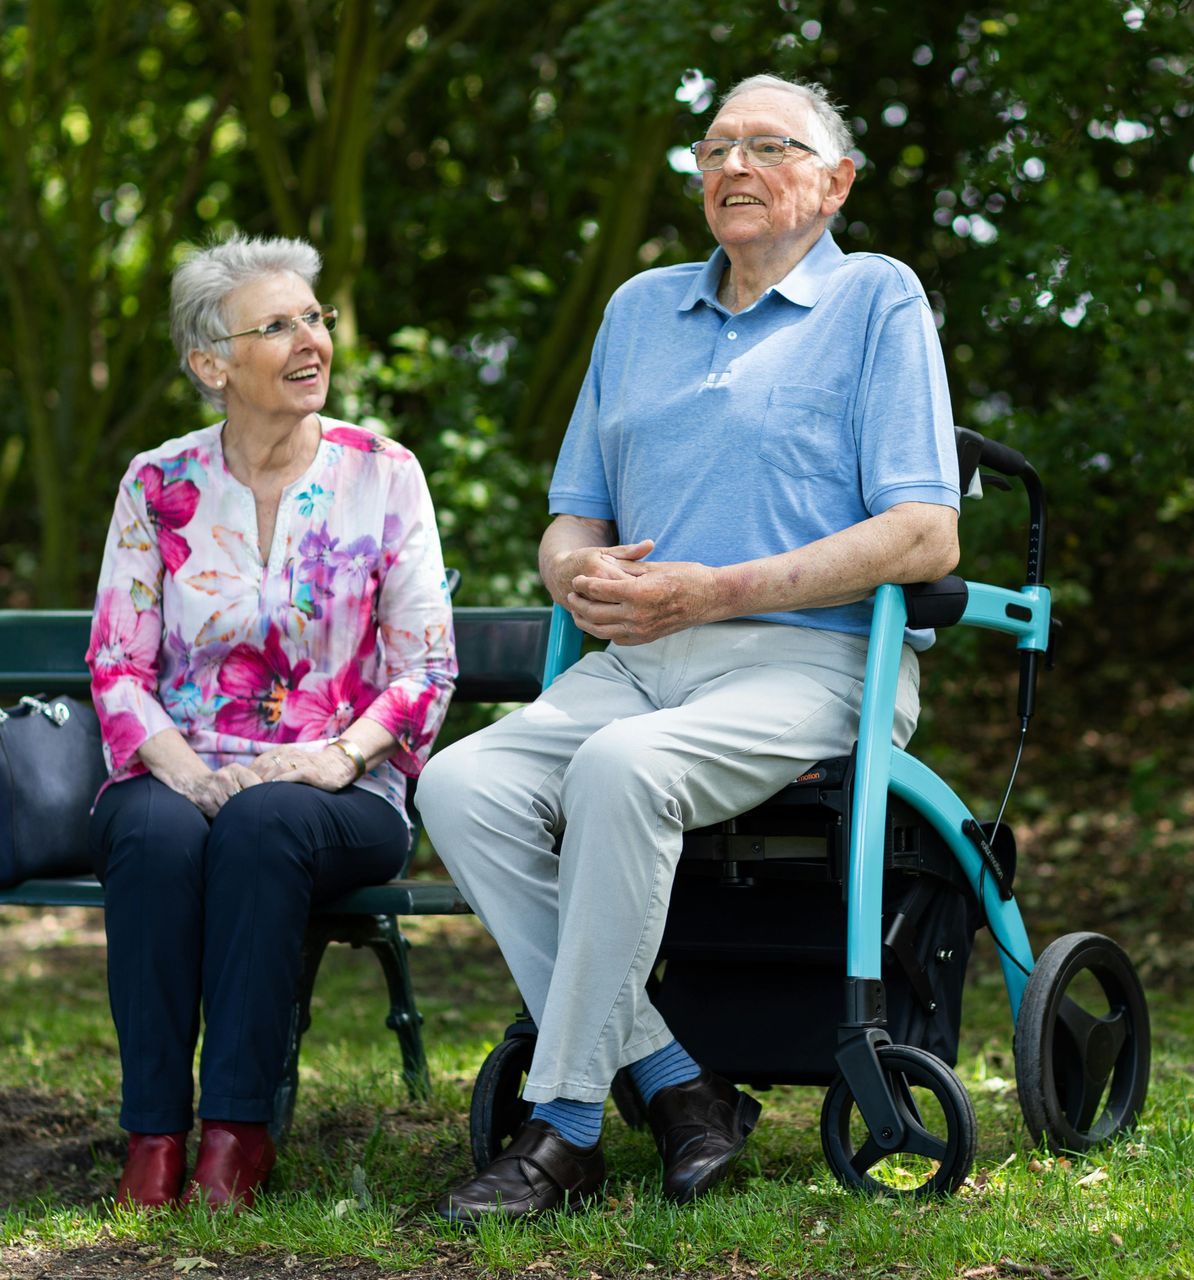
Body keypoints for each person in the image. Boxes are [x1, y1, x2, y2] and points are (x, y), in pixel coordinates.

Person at [418, 73, 962, 1221]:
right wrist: (578, 572)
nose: (733, 167)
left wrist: (716, 590)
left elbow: (925, 531)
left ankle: (562, 1126)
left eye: (769, 145)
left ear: (836, 179)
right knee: (460, 781)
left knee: (623, 770)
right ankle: (677, 1081)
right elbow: (571, 521)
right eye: (715, 147)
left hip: (810, 660)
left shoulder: (878, 299)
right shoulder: (639, 309)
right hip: (636, 660)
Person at [84, 235, 456, 1210]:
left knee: (263, 822)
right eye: (278, 324)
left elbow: (427, 669)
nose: (312, 339)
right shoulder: (157, 483)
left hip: (342, 785)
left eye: (316, 317)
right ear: (212, 364)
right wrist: (183, 771)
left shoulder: (384, 472)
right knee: (154, 833)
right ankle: (154, 1133)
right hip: (183, 768)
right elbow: (117, 666)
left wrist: (335, 756)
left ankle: (238, 1132)